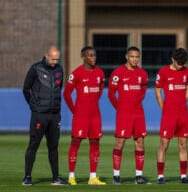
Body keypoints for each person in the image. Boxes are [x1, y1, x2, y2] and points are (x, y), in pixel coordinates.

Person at [22, 45, 69, 186]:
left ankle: (56, 178)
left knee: (53, 147)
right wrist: (33, 106)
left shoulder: (60, 69)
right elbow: (26, 89)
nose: (55, 62)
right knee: (33, 145)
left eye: (57, 59)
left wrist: (57, 112)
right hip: (39, 115)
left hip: (54, 116)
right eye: (53, 59)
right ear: (46, 55)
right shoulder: (35, 68)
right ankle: (27, 177)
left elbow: (58, 90)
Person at [64, 46, 106, 185]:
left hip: (95, 114)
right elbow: (67, 94)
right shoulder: (76, 73)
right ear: (83, 57)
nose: (93, 58)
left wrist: (92, 104)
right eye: (90, 55)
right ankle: (71, 177)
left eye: (94, 55)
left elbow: (99, 91)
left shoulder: (100, 73)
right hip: (81, 115)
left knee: (95, 142)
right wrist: (75, 111)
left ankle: (92, 177)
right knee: (76, 142)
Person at [107, 46, 149, 185]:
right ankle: (116, 176)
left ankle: (139, 176)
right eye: (132, 56)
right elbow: (111, 93)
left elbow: (143, 90)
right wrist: (119, 108)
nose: (135, 59)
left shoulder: (142, 73)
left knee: (140, 143)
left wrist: (137, 101)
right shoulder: (118, 72)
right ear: (126, 57)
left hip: (138, 113)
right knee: (120, 143)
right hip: (124, 114)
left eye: (137, 57)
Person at [155, 48, 188, 184]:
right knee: (164, 145)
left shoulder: (187, 72)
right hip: (168, 115)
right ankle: (160, 176)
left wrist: (181, 104)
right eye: (179, 63)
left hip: (183, 114)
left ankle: (183, 176)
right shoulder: (163, 72)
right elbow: (158, 92)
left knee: (183, 144)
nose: (181, 66)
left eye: (183, 63)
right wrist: (164, 109)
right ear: (172, 59)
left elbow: (187, 90)